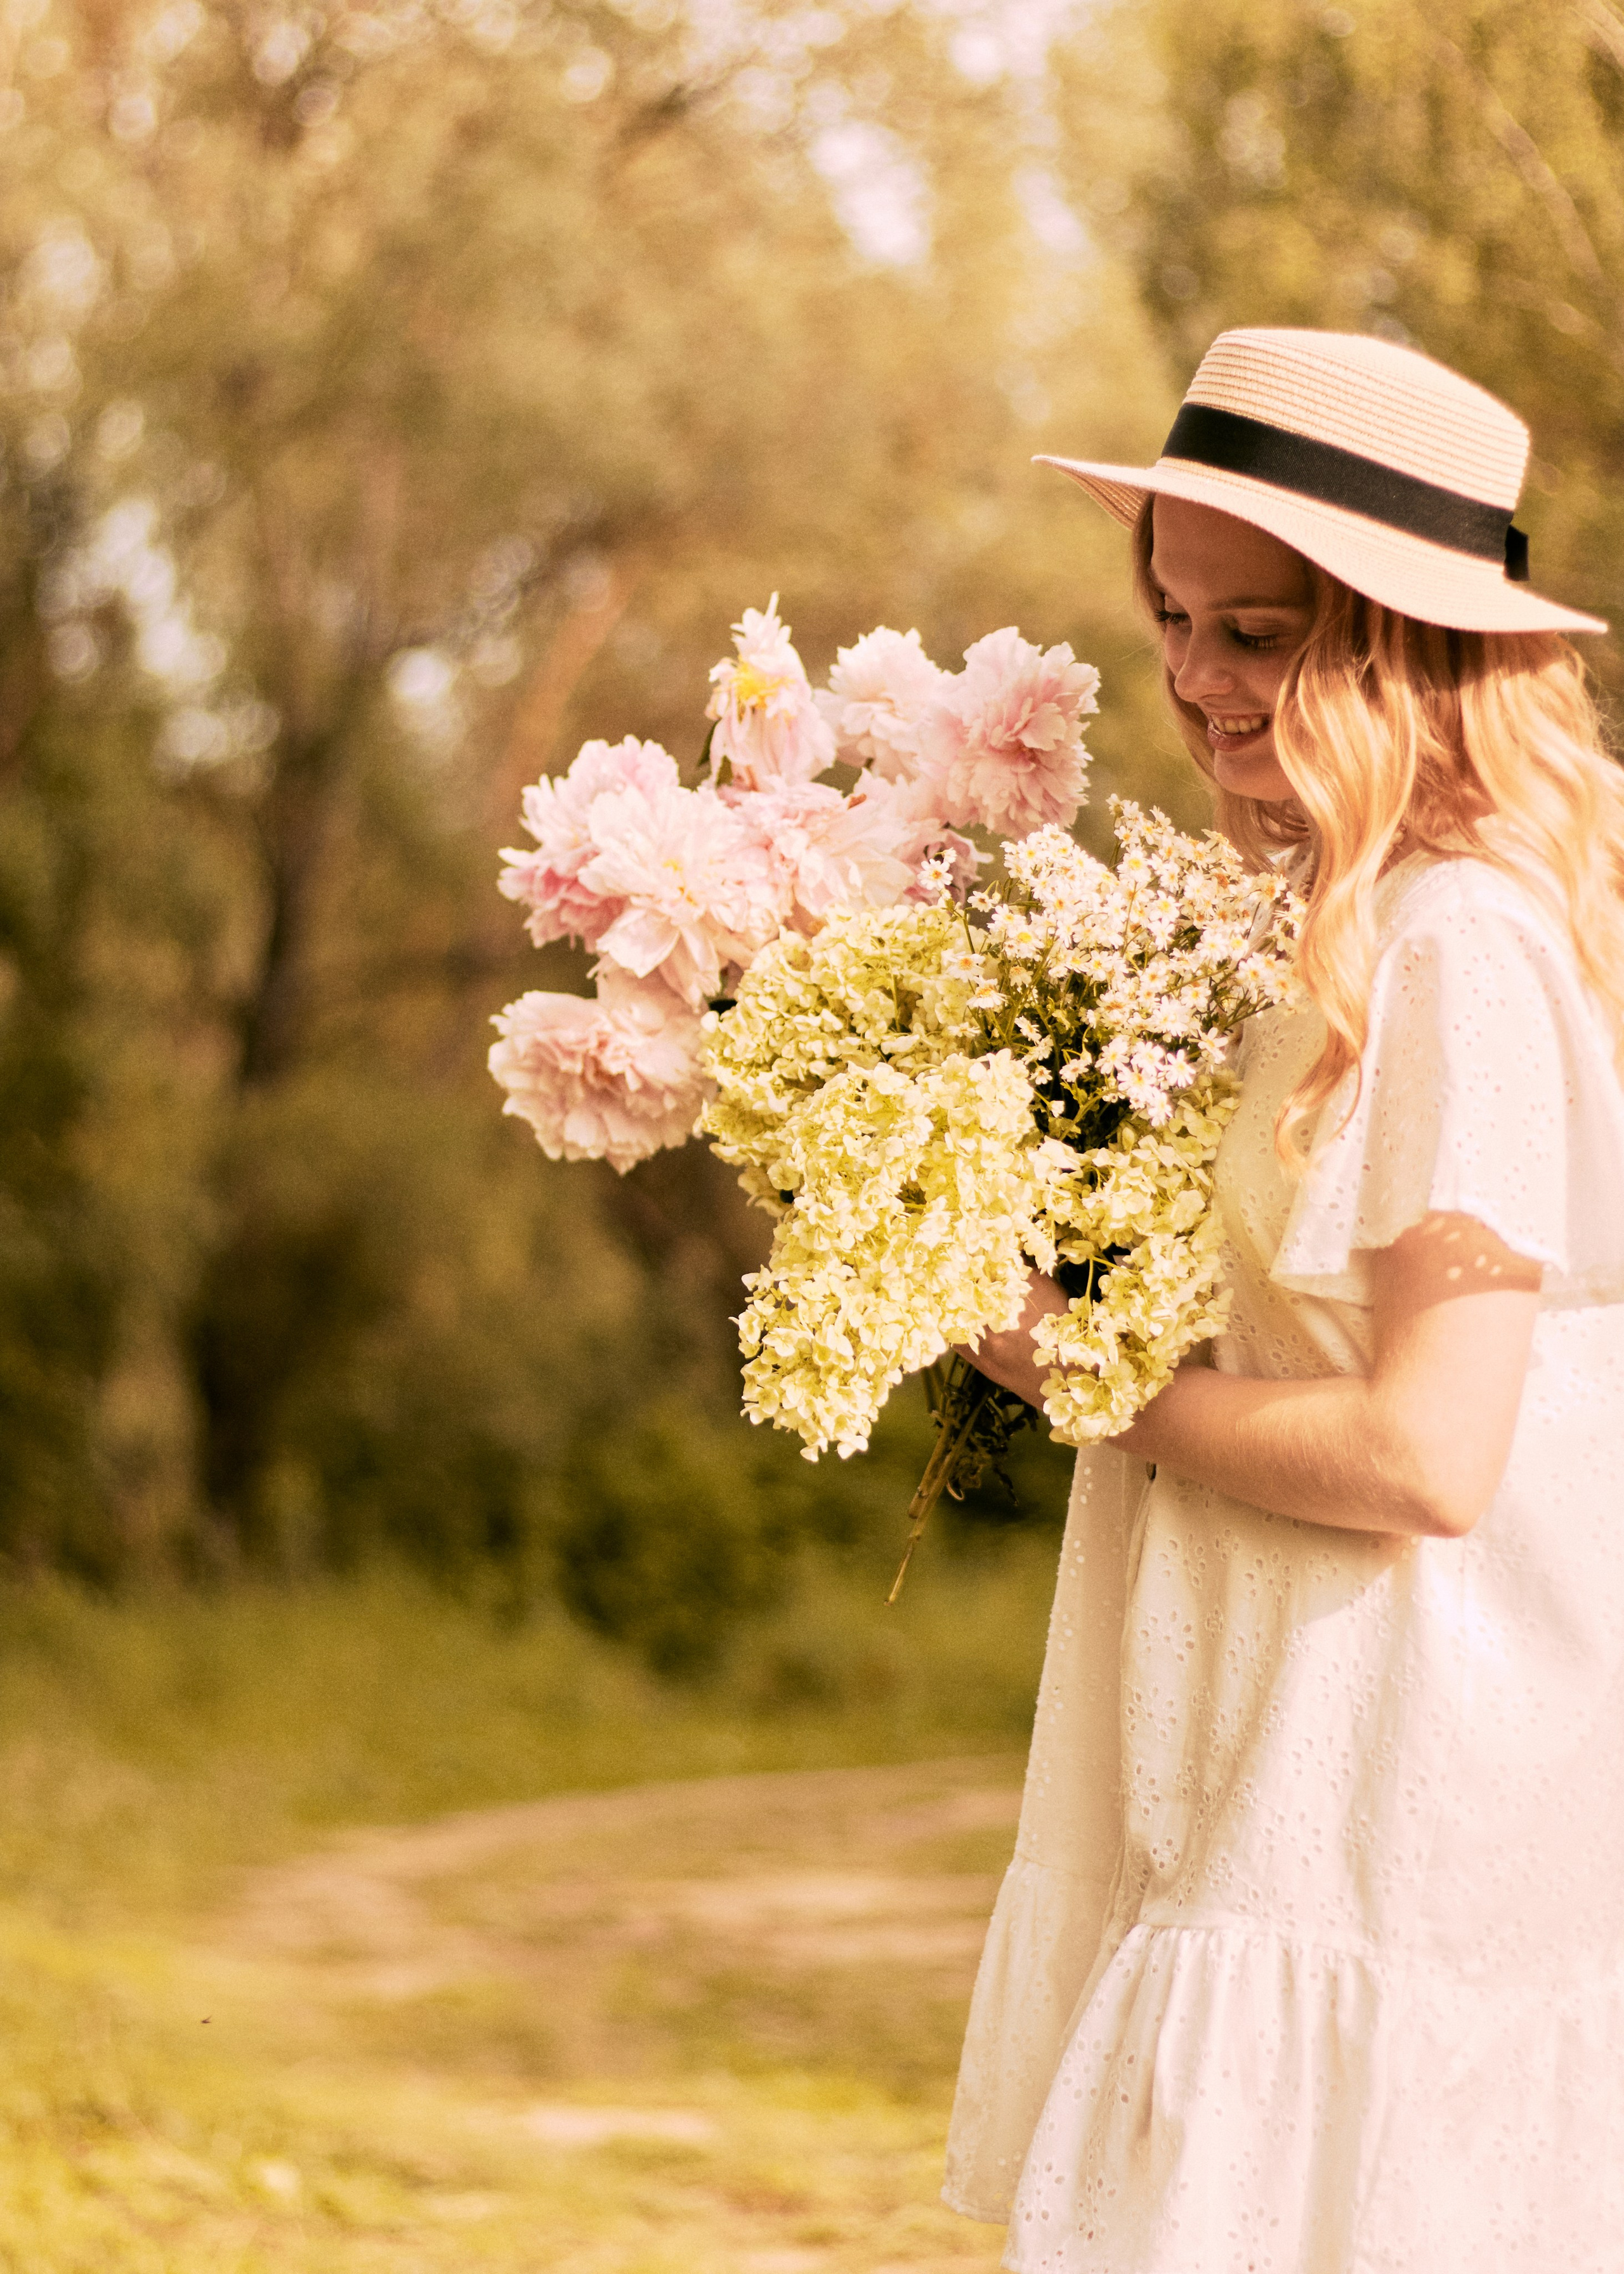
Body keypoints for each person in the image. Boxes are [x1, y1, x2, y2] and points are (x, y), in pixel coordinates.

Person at [941, 327, 1624, 2273]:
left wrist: (1103, 1379)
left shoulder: (1462, 943)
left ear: (1399, 651)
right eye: (1175, 619)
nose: (1195, 681)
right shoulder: (1344, 926)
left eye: (1256, 634)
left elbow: (1432, 1448)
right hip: (1285, 1734)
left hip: (1400, 1773)